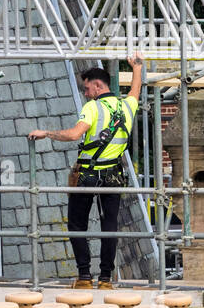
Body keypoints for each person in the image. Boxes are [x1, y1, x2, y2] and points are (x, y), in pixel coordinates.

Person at [30, 54, 144, 289]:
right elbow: (135, 91)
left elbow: (73, 135)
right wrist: (137, 68)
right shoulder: (127, 106)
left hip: (88, 174)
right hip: (113, 175)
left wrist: (46, 133)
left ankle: (84, 277)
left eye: (87, 87)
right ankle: (105, 280)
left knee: (77, 224)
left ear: (98, 85)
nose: (85, 92)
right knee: (109, 227)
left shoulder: (92, 107)